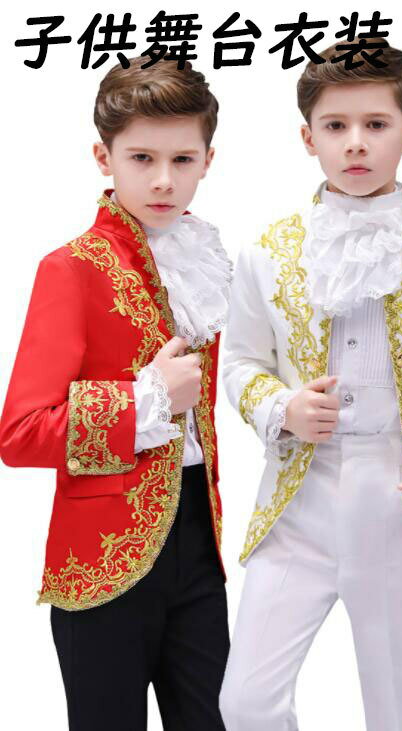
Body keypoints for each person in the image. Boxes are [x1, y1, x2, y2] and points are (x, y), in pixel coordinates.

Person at [218, 39, 402, 731]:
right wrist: (281, 406)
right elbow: (239, 363)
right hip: (300, 499)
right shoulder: (267, 249)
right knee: (245, 701)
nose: (355, 142)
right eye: (335, 125)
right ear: (308, 138)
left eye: (375, 124)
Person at [0, 56, 232, 731]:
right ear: (104, 157)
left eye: (182, 159)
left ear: (208, 160)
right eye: (141, 158)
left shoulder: (208, 260)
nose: (163, 180)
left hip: (199, 541)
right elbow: (19, 433)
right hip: (99, 559)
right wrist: (145, 398)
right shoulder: (70, 268)